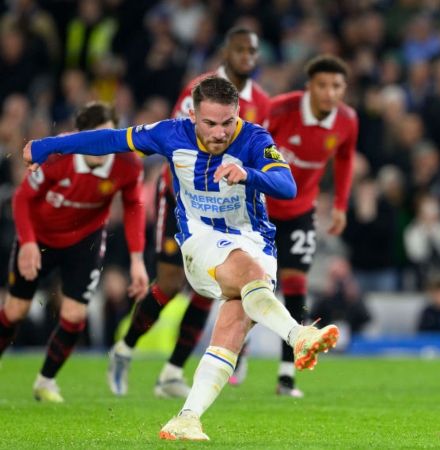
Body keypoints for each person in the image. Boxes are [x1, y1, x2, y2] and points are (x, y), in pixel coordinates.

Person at [23, 76, 339, 441]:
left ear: (237, 114)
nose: (220, 133)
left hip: (255, 242)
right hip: (200, 240)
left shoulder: (254, 139)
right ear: (193, 115)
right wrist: (47, 147)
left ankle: (188, 417)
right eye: (210, 123)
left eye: (227, 122)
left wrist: (248, 174)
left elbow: (288, 186)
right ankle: (297, 334)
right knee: (247, 274)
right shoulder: (170, 134)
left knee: (233, 327)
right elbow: (111, 139)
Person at [107, 25, 273, 399]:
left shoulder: (262, 99)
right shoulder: (200, 89)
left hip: (229, 206)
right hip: (183, 200)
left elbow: (261, 157)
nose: (247, 57)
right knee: (168, 284)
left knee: (210, 288)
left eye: (253, 52)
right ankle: (125, 347)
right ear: (226, 53)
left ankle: (171, 371)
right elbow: (176, 139)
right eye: (240, 50)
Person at [0, 102, 149, 402]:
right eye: (96, 136)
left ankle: (45, 381)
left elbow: (133, 206)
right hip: (40, 239)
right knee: (16, 310)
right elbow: (22, 199)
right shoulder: (58, 158)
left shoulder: (127, 163)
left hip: (84, 241)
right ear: (81, 135)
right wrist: (28, 242)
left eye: (110, 136)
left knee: (75, 314)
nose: (104, 144)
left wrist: (136, 259)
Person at [258, 54, 357, 397]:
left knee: (296, 286)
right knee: (255, 285)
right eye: (323, 85)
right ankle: (236, 355)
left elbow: (345, 158)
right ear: (309, 87)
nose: (330, 92)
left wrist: (341, 205)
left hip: (301, 211)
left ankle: (287, 375)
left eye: (337, 86)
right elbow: (249, 145)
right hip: (261, 209)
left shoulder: (347, 120)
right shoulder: (280, 110)